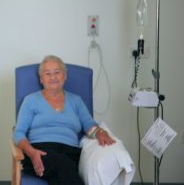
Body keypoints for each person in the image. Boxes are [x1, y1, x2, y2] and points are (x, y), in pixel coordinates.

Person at [13, 55, 115, 184]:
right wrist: (32, 153)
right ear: (41, 79)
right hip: (40, 153)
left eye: (57, 72)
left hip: (71, 153)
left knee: (62, 172)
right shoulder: (31, 100)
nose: (53, 77)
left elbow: (89, 125)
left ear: (65, 76)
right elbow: (18, 132)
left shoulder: (76, 101)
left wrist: (99, 132)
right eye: (47, 73)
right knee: (63, 165)